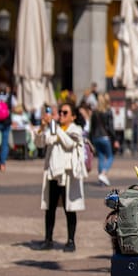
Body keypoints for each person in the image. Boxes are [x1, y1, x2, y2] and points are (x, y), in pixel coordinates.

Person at [34, 100, 86, 252]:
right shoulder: (54, 128)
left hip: (68, 173)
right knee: (49, 208)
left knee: (70, 208)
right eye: (60, 112)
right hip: (52, 172)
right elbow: (40, 142)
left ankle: (71, 240)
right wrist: (43, 127)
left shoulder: (76, 129)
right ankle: (48, 239)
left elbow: (68, 143)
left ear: (73, 116)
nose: (61, 115)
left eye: (65, 113)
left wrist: (54, 127)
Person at [90, 92, 116, 186]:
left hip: (96, 137)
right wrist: (115, 139)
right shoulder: (108, 111)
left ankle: (101, 181)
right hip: (105, 137)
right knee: (110, 156)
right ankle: (103, 174)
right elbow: (110, 127)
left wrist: (91, 139)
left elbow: (91, 127)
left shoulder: (94, 112)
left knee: (101, 157)